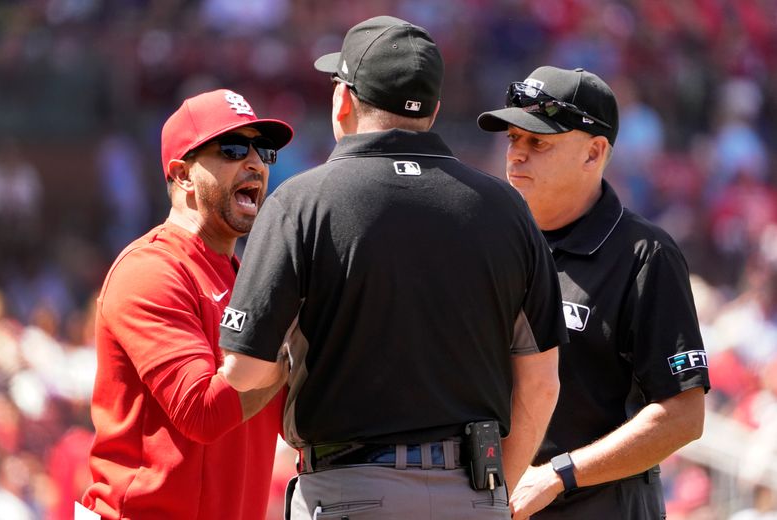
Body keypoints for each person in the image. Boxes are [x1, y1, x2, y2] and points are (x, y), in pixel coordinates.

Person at [218, 15, 567, 520]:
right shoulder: (506, 208)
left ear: (343, 100)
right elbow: (542, 383)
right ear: (434, 110)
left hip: (348, 489)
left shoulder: (300, 201)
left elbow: (245, 371)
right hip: (472, 491)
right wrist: (492, 498)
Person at [477, 66, 711, 519]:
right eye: (513, 139)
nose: (516, 156)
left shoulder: (646, 254)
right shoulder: (487, 242)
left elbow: (684, 415)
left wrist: (560, 473)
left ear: (594, 152)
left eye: (537, 142)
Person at [81, 89, 293, 520]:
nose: (254, 163)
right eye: (233, 149)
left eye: (262, 150)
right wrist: (290, 353)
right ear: (182, 174)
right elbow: (203, 412)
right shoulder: (150, 270)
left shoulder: (246, 276)